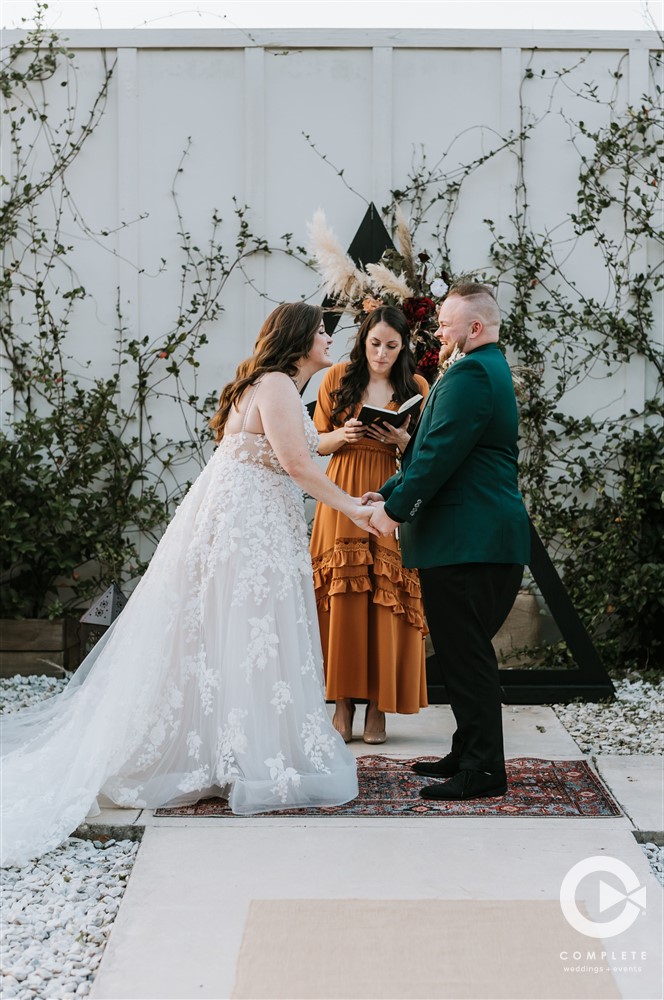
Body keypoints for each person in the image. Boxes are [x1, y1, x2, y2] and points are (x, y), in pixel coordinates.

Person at [1, 302, 375, 867]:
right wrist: (354, 508)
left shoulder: (268, 384)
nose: (330, 337)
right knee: (252, 634)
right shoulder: (277, 383)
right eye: (322, 330)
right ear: (299, 339)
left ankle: (229, 752)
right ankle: (242, 757)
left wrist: (348, 497)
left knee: (236, 637)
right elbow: (299, 466)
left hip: (247, 524)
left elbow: (291, 460)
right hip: (249, 531)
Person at [365, 284, 530, 800]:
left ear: (474, 328)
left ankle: (484, 771)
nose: (437, 331)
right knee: (461, 653)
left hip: (470, 541)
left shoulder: (473, 374)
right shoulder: (480, 369)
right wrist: (387, 491)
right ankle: (467, 750)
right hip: (472, 540)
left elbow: (438, 456)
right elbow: (435, 452)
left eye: (445, 323)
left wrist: (393, 512)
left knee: (467, 655)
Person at [310, 306, 429, 745]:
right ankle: (341, 705)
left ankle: (379, 706)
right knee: (342, 595)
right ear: (363, 341)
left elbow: (426, 452)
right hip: (341, 493)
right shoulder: (336, 377)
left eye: (391, 346)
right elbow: (315, 443)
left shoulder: (416, 386)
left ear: (403, 347)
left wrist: (403, 440)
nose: (381, 353)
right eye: (375, 343)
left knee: (386, 594)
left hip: (390, 492)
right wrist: (343, 435)